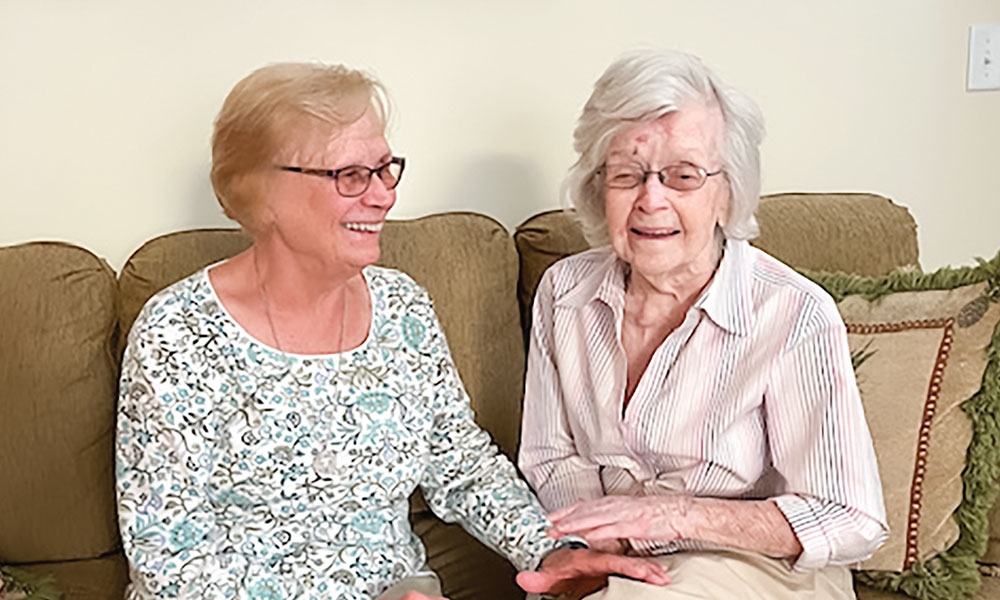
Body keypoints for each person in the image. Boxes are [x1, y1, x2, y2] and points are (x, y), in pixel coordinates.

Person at [114, 62, 668, 600]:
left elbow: (462, 462)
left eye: (384, 169)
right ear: (263, 193)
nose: (383, 195)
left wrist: (550, 552)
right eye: (351, 175)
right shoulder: (177, 333)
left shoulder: (403, 308)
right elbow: (170, 561)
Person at [518, 49, 889, 599]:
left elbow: (850, 517)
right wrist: (596, 547)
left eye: (683, 176)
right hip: (618, 569)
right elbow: (551, 458)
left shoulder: (791, 313)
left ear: (728, 191)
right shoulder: (565, 294)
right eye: (627, 174)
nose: (652, 199)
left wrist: (676, 517)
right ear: (599, 189)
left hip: (761, 568)